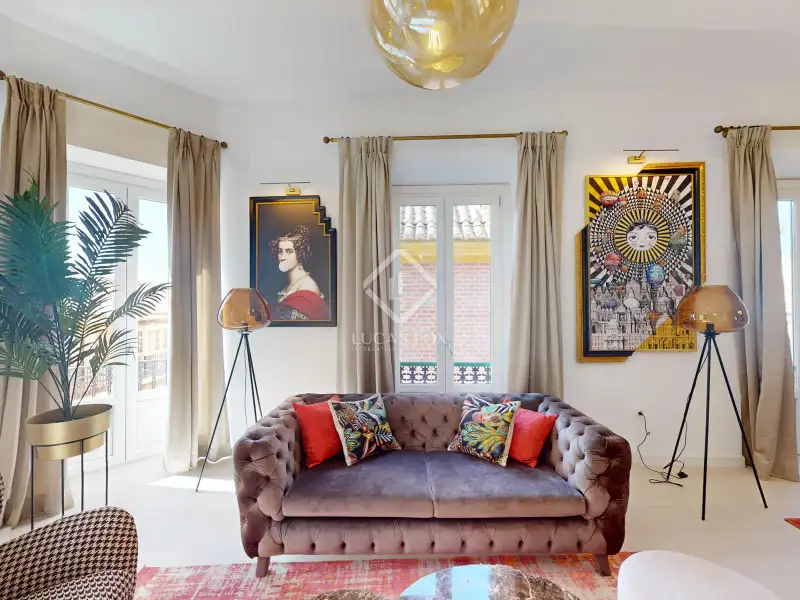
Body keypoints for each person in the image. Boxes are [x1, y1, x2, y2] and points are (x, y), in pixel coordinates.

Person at [270, 225, 329, 321]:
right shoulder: (290, 284)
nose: (282, 257)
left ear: (300, 254)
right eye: (280, 251)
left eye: (289, 251)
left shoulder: (308, 286)